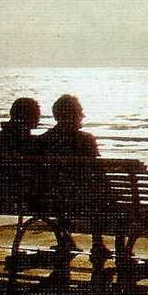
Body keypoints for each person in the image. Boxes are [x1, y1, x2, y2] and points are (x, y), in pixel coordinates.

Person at [37, 94, 111, 267]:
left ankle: (65, 239)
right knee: (98, 195)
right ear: (74, 115)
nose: (82, 116)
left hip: (51, 200)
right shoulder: (86, 140)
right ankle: (98, 244)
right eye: (80, 112)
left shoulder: (43, 140)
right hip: (83, 199)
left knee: (65, 193)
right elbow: (97, 173)